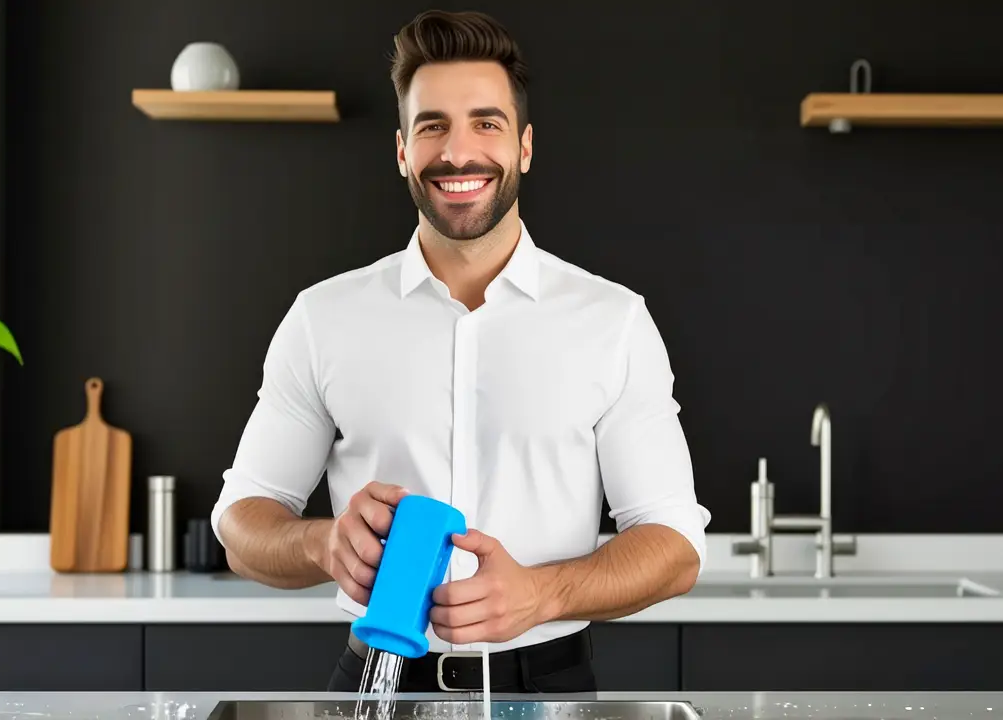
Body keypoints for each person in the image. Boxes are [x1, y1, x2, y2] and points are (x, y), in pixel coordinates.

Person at [211, 8, 710, 694]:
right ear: (401, 150)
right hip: (375, 679)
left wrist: (543, 594)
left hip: (546, 690)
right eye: (432, 126)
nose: (457, 152)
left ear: (525, 146)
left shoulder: (612, 322)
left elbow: (674, 549)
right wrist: (322, 544)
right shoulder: (323, 318)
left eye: (486, 122)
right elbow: (242, 524)